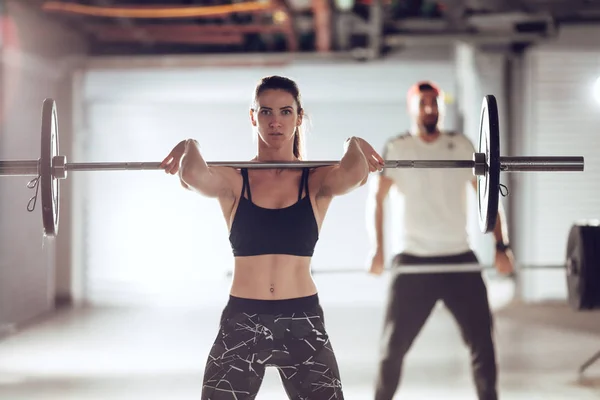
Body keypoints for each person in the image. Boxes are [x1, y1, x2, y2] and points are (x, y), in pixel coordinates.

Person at [160, 75, 384, 400]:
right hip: (243, 320)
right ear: (253, 117)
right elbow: (192, 174)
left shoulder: (314, 180)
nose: (275, 122)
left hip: (302, 320)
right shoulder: (236, 180)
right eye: (266, 112)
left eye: (285, 112)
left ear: (299, 117)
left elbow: (354, 173)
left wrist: (354, 141)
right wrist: (189, 144)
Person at [366, 80, 515, 400]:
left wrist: (502, 246)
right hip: (413, 259)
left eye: (435, 103)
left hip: (458, 257)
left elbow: (490, 200)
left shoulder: (462, 145)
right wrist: (378, 250)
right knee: (391, 349)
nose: (430, 108)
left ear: (442, 108)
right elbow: (376, 201)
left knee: (483, 347)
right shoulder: (397, 147)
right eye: (423, 103)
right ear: (412, 108)